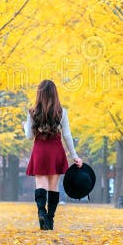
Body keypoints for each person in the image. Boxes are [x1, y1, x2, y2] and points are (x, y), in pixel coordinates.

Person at [24, 79, 82, 230]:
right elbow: (67, 136)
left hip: (40, 151)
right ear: (55, 94)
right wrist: (75, 156)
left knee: (41, 184)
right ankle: (50, 219)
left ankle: (41, 212)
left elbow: (29, 136)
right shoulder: (61, 113)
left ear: (39, 94)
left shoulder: (32, 112)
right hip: (56, 151)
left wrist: (25, 126)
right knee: (53, 186)